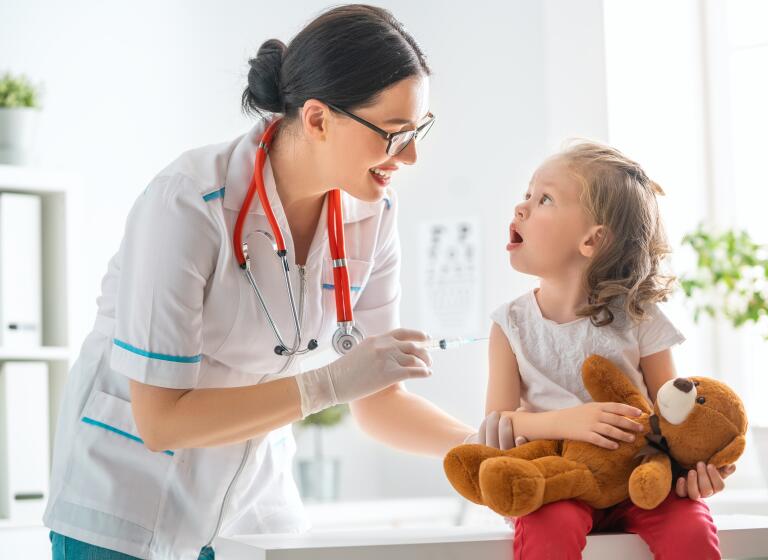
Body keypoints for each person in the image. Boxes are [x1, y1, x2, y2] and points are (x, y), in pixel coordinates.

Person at [43, 5, 476, 559]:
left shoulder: (372, 214)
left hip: (251, 511)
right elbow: (160, 420)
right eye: (394, 134)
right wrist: (329, 384)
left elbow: (380, 401)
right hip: (128, 506)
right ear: (317, 119)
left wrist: (480, 446)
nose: (411, 156)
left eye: (418, 131)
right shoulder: (188, 202)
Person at [483, 141, 735, 559]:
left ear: (592, 240)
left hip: (639, 478)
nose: (521, 207)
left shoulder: (639, 317)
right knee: (550, 527)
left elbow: (672, 415)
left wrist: (700, 468)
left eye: (544, 198)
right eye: (527, 193)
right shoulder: (509, 325)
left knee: (690, 529)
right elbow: (498, 425)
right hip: (557, 477)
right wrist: (570, 422)